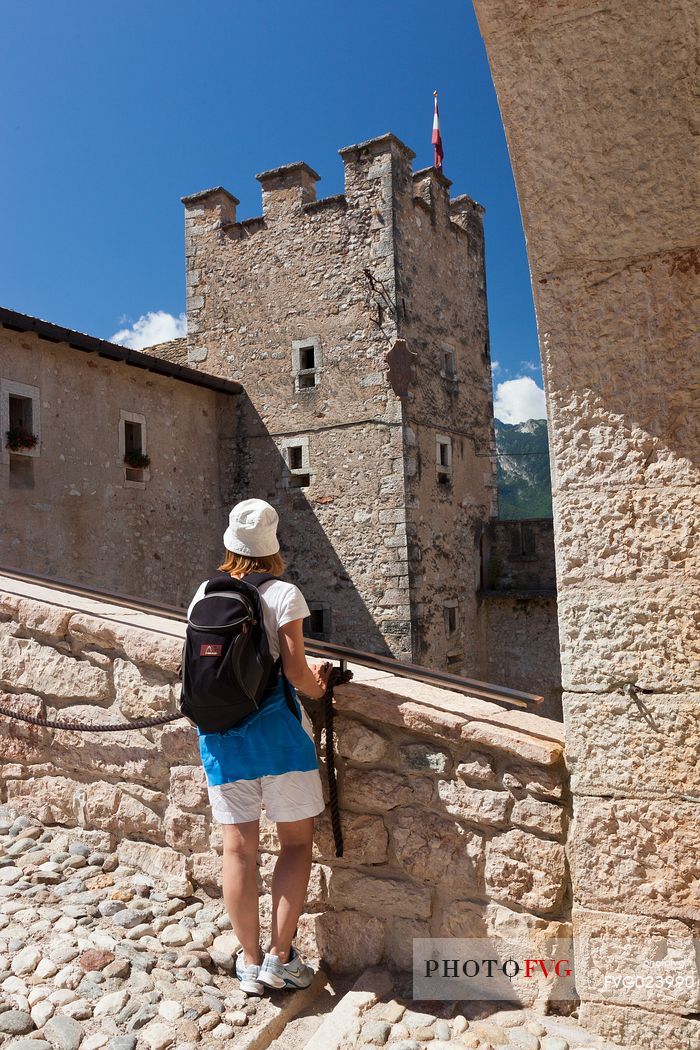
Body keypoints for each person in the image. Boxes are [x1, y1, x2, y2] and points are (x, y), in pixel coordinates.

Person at [187, 498, 332, 995]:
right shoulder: (285, 594)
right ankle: (280, 956)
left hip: (222, 739)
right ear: (272, 550)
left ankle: (248, 964)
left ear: (230, 546)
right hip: (278, 740)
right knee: (294, 843)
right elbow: (295, 672)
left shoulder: (205, 592)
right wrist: (319, 687)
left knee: (237, 849)